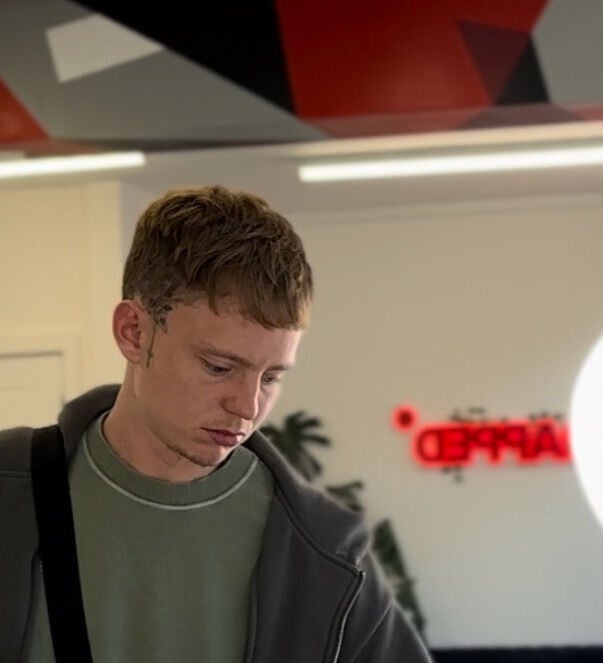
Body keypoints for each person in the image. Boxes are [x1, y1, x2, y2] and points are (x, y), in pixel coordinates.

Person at [0, 185, 432, 662]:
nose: (247, 407)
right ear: (133, 332)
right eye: (219, 367)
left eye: (270, 377)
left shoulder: (324, 551)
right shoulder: (9, 492)